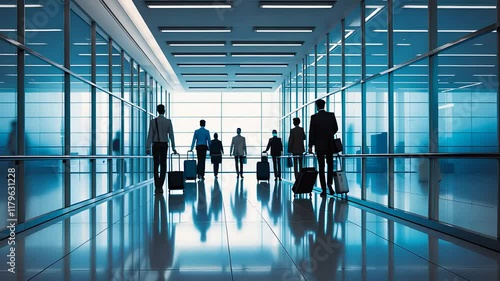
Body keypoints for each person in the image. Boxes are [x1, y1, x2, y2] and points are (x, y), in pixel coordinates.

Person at [308, 99, 338, 197]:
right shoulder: (331, 115)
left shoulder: (314, 117)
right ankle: (330, 184)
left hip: (319, 145)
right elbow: (336, 128)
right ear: (324, 106)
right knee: (330, 165)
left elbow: (311, 132)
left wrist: (310, 146)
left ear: (317, 106)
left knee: (321, 167)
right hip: (330, 144)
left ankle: (324, 189)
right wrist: (329, 135)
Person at [146, 104, 177, 194]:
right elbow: (171, 135)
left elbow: (150, 135)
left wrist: (147, 146)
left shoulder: (153, 121)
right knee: (163, 165)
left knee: (156, 166)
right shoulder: (168, 122)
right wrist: (173, 147)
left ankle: (157, 186)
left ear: (157, 111)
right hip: (164, 144)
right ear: (164, 111)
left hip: (155, 145)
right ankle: (161, 186)